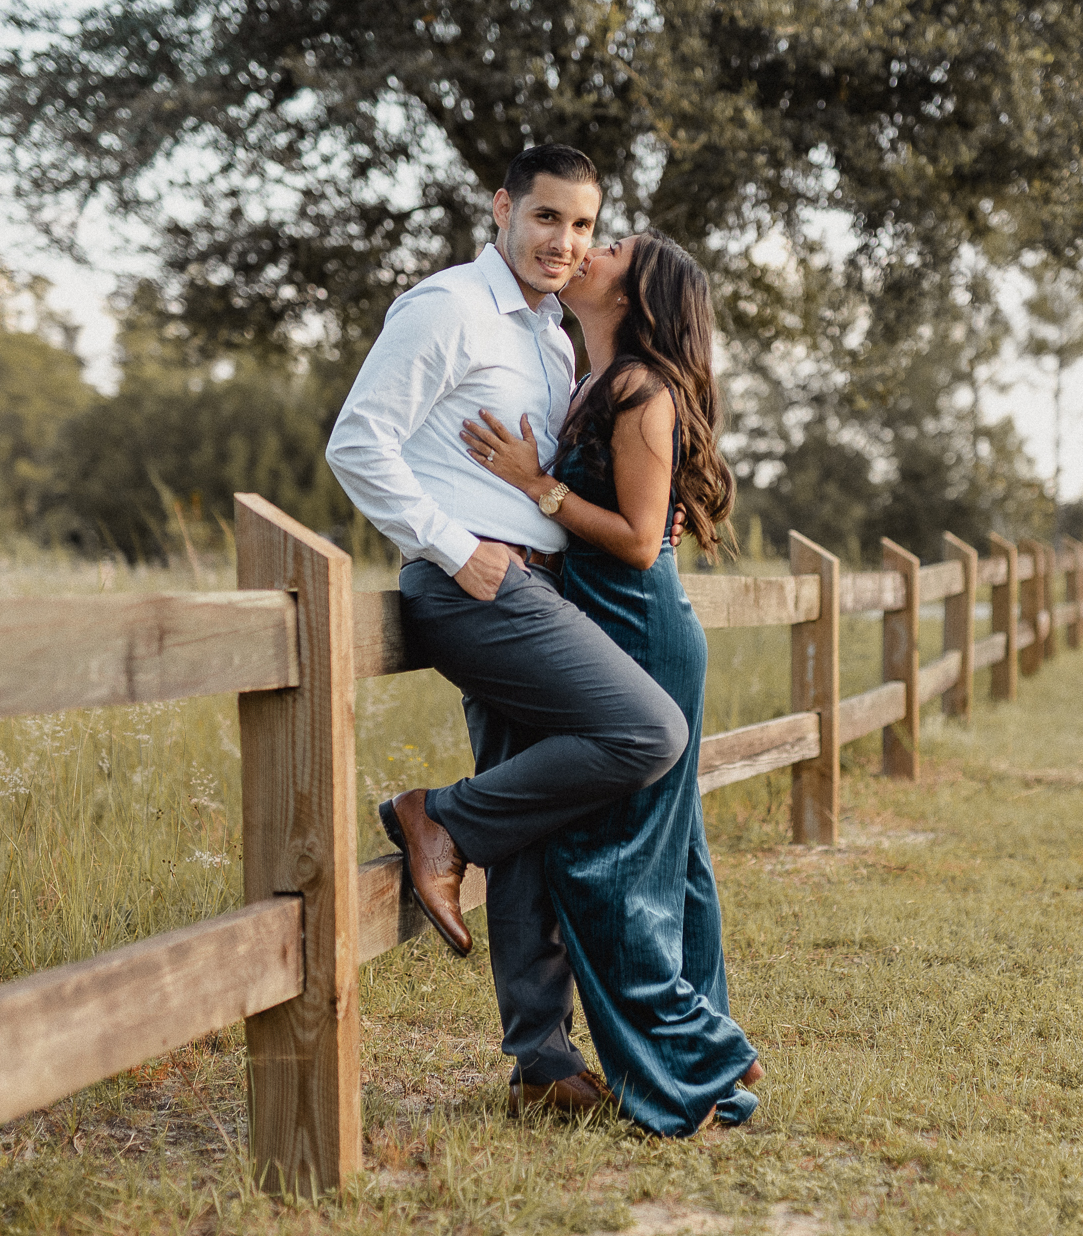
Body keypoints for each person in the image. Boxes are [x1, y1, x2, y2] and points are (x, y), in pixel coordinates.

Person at [325, 144, 689, 1115]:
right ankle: (439, 815)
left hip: (540, 584)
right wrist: (451, 546)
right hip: (474, 586)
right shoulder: (446, 307)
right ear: (501, 209)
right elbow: (358, 441)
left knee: (537, 815)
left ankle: (540, 1059)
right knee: (645, 732)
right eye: (545, 218)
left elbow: (556, 476)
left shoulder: (553, 338)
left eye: (581, 225)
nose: (564, 242)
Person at [460, 228, 762, 1136]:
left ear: (635, 293)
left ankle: (695, 1059)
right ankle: (697, 1071)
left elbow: (636, 539)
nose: (588, 248)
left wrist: (537, 483)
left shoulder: (637, 387)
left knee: (616, 859)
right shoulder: (591, 376)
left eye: (613, 246)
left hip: (639, 628)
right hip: (614, 624)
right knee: (669, 857)